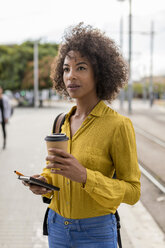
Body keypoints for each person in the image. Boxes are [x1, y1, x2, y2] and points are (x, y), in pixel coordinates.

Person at [23, 23, 141, 248]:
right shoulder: (61, 122)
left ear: (100, 73)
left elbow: (133, 191)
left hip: (96, 232)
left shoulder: (118, 125)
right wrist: (44, 182)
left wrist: (86, 176)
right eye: (66, 69)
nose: (71, 76)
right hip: (57, 227)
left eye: (81, 68)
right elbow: (54, 170)